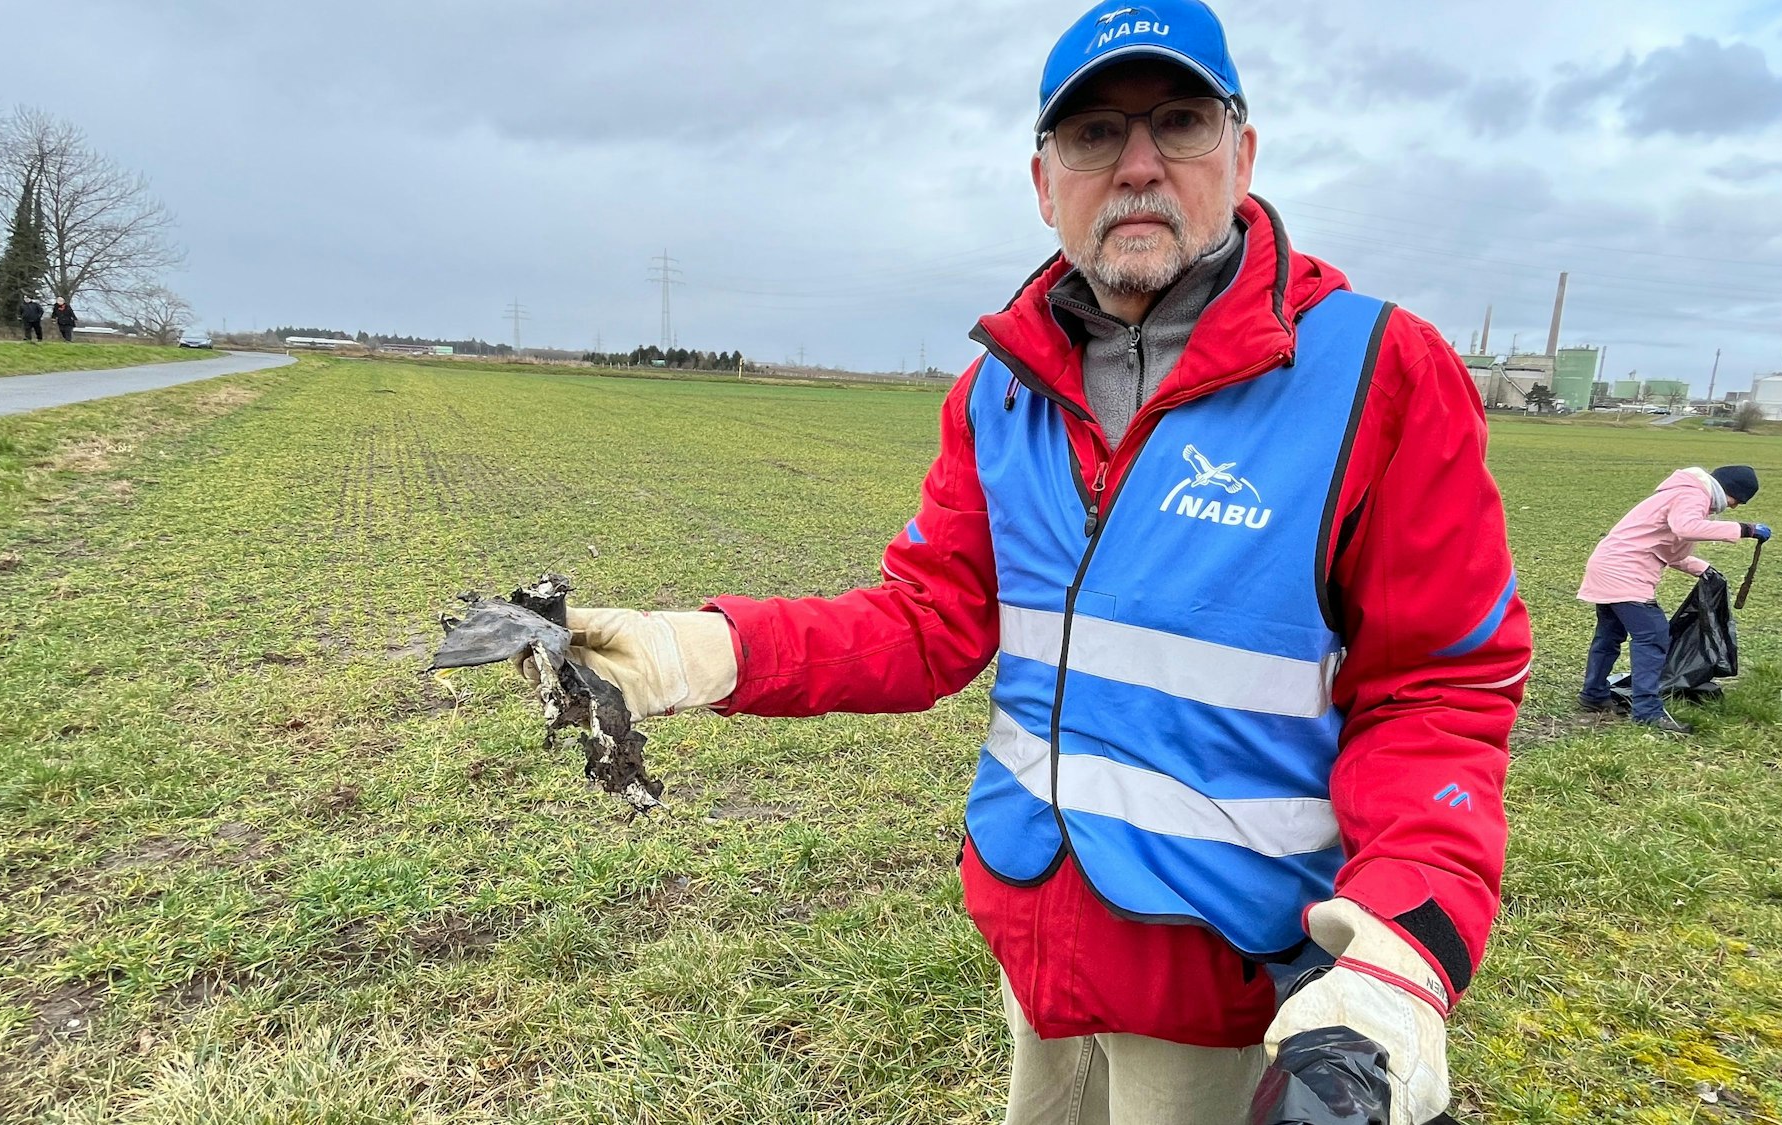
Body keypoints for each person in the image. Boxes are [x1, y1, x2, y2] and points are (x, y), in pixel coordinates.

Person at [539, 3, 1530, 1121]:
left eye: (1178, 122)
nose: (1138, 165)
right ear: (1042, 177)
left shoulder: (1374, 374)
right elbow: (929, 620)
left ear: (1241, 153)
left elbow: (1438, 689)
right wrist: (698, 649)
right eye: (1095, 134)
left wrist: (1397, 952)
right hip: (1036, 939)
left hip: (1233, 984)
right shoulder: (1001, 387)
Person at [1577, 465, 1770, 733]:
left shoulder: (1682, 493)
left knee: (1610, 635)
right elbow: (1686, 528)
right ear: (1729, 489)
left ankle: (1594, 694)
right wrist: (1745, 529)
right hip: (1625, 571)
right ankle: (1648, 713)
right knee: (1654, 637)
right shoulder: (1694, 494)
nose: (1734, 507)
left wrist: (1703, 569)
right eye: (1737, 500)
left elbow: (1671, 551)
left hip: (1609, 564)